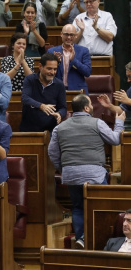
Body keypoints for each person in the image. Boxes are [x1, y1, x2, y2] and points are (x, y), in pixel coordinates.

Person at [48, 94, 125, 249]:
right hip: (94, 175)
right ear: (86, 108)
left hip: (71, 175)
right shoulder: (97, 123)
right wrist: (119, 123)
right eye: (90, 104)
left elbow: (52, 152)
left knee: (77, 207)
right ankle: (96, 241)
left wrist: (64, 169)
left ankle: (80, 238)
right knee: (100, 207)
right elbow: (115, 140)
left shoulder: (59, 127)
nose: (92, 106)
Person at [20, 53, 67, 132]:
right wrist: (41, 106)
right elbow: (25, 98)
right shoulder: (30, 80)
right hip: (29, 129)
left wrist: (59, 114)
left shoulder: (59, 84)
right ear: (40, 67)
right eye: (49, 69)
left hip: (50, 130)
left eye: (55, 69)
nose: (52, 72)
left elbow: (63, 107)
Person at [47, 24, 91, 95]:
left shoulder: (83, 51)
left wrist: (74, 60)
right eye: (66, 34)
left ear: (76, 35)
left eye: (71, 35)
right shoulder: (51, 51)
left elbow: (87, 72)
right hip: (56, 90)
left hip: (78, 90)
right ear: (61, 34)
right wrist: (55, 62)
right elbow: (45, 73)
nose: (69, 37)